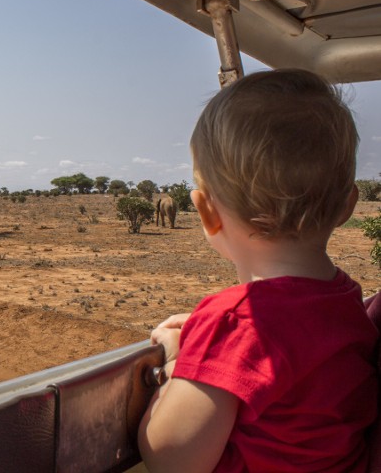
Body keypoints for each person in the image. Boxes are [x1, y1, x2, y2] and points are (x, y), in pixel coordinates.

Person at [137, 69, 379, 472]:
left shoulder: (234, 324)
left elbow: (170, 459)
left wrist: (178, 361)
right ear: (347, 206)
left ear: (206, 212)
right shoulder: (348, 303)